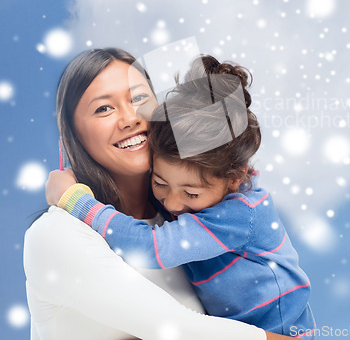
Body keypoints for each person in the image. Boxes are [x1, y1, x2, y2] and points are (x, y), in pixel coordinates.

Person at [24, 48, 294, 340]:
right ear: (72, 136)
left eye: (139, 98)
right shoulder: (56, 235)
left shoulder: (187, 221)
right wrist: (74, 201)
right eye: (104, 108)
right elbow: (179, 331)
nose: (129, 118)